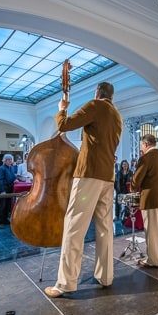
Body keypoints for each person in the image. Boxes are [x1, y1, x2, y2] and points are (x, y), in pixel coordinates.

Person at [44, 81, 123, 298]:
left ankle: (65, 283)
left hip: (89, 174)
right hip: (108, 176)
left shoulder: (96, 106)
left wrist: (62, 109)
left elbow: (64, 125)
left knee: (74, 227)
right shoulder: (117, 115)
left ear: (97, 93)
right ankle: (105, 276)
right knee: (105, 227)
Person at [132, 134, 158, 267]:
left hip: (151, 198)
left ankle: (153, 260)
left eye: (141, 145)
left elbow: (137, 179)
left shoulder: (146, 158)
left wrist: (133, 187)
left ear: (145, 144)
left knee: (152, 230)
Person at [0, 154, 17, 228]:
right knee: (1, 206)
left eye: (11, 159)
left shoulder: (12, 168)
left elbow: (13, 177)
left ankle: (5, 220)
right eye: (8, 159)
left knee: (7, 206)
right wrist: (2, 190)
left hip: (10, 189)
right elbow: (0, 180)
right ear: (4, 160)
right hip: (3, 189)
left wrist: (16, 179)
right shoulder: (1, 168)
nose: (10, 161)